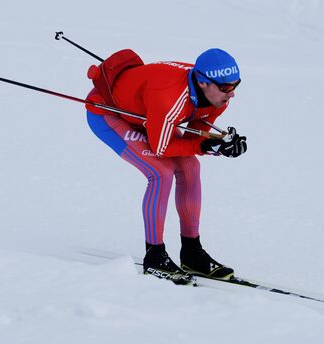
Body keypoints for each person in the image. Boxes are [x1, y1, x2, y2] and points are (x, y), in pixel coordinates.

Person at [85, 48, 247, 283]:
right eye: (225, 88)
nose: (231, 94)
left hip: (148, 114)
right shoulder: (170, 96)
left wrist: (218, 144)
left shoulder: (218, 98)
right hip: (110, 113)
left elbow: (195, 136)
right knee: (161, 172)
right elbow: (162, 148)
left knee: (190, 167)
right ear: (203, 83)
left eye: (235, 85)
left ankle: (192, 252)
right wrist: (209, 147)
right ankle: (154, 256)